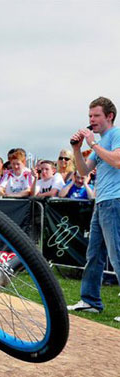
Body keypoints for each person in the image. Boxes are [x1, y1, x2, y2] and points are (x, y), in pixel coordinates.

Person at [67, 97, 120, 315]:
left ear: (109, 116)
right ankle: (90, 301)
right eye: (90, 116)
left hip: (115, 201)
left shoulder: (115, 134)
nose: (91, 120)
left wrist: (93, 144)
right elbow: (83, 172)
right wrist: (77, 149)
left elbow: (117, 160)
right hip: (102, 202)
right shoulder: (99, 142)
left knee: (117, 254)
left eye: (96, 115)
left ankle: (91, 300)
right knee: (94, 254)